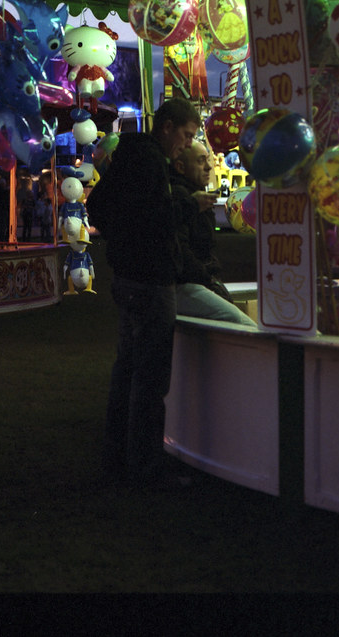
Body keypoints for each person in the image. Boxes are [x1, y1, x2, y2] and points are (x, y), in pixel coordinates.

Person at [85, 96, 200, 487]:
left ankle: (116, 457)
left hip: (127, 275)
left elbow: (99, 205)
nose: (186, 144)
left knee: (127, 369)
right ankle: (146, 466)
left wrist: (121, 240)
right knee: (150, 377)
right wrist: (186, 205)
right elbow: (154, 217)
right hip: (150, 279)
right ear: (167, 127)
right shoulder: (151, 164)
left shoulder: (129, 159)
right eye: (185, 135)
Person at [171, 141, 257, 328]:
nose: (209, 166)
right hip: (187, 284)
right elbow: (182, 251)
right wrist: (208, 280)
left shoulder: (196, 196)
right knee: (241, 324)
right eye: (201, 161)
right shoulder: (183, 198)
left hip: (198, 282)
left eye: (208, 160)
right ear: (180, 167)